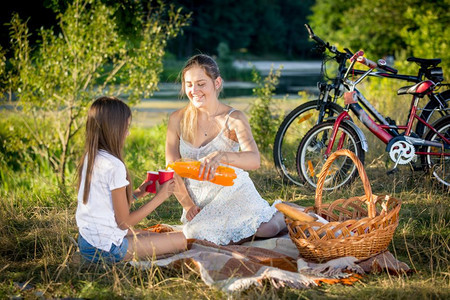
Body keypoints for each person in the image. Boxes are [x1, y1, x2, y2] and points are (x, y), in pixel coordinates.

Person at [166, 54, 286, 245]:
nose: (194, 90)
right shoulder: (176, 119)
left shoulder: (234, 118)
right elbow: (172, 169)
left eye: (201, 83)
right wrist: (187, 204)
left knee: (268, 229)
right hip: (199, 202)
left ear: (217, 82)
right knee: (198, 236)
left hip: (234, 191)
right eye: (189, 84)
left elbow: (254, 160)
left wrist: (222, 156)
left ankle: (281, 212)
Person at [76, 96, 186, 264]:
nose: (128, 133)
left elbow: (106, 205)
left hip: (87, 242)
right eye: (126, 127)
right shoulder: (114, 166)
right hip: (108, 249)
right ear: (113, 129)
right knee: (182, 240)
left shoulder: (91, 157)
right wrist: (160, 197)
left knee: (156, 235)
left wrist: (138, 193)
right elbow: (124, 223)